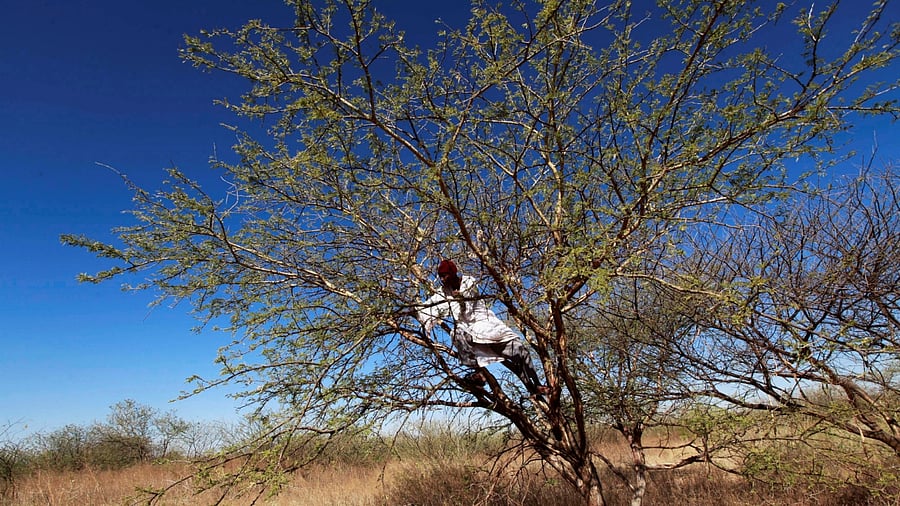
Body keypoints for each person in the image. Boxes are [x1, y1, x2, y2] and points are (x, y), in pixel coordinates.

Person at [417, 259, 550, 397]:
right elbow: (431, 306)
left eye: (445, 275)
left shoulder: (469, 282)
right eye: (441, 276)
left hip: (488, 328)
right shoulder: (444, 292)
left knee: (520, 352)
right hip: (468, 333)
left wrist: (461, 298)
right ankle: (479, 374)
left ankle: (536, 385)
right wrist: (418, 312)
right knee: (457, 334)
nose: (443, 279)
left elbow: (468, 306)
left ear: (453, 273)